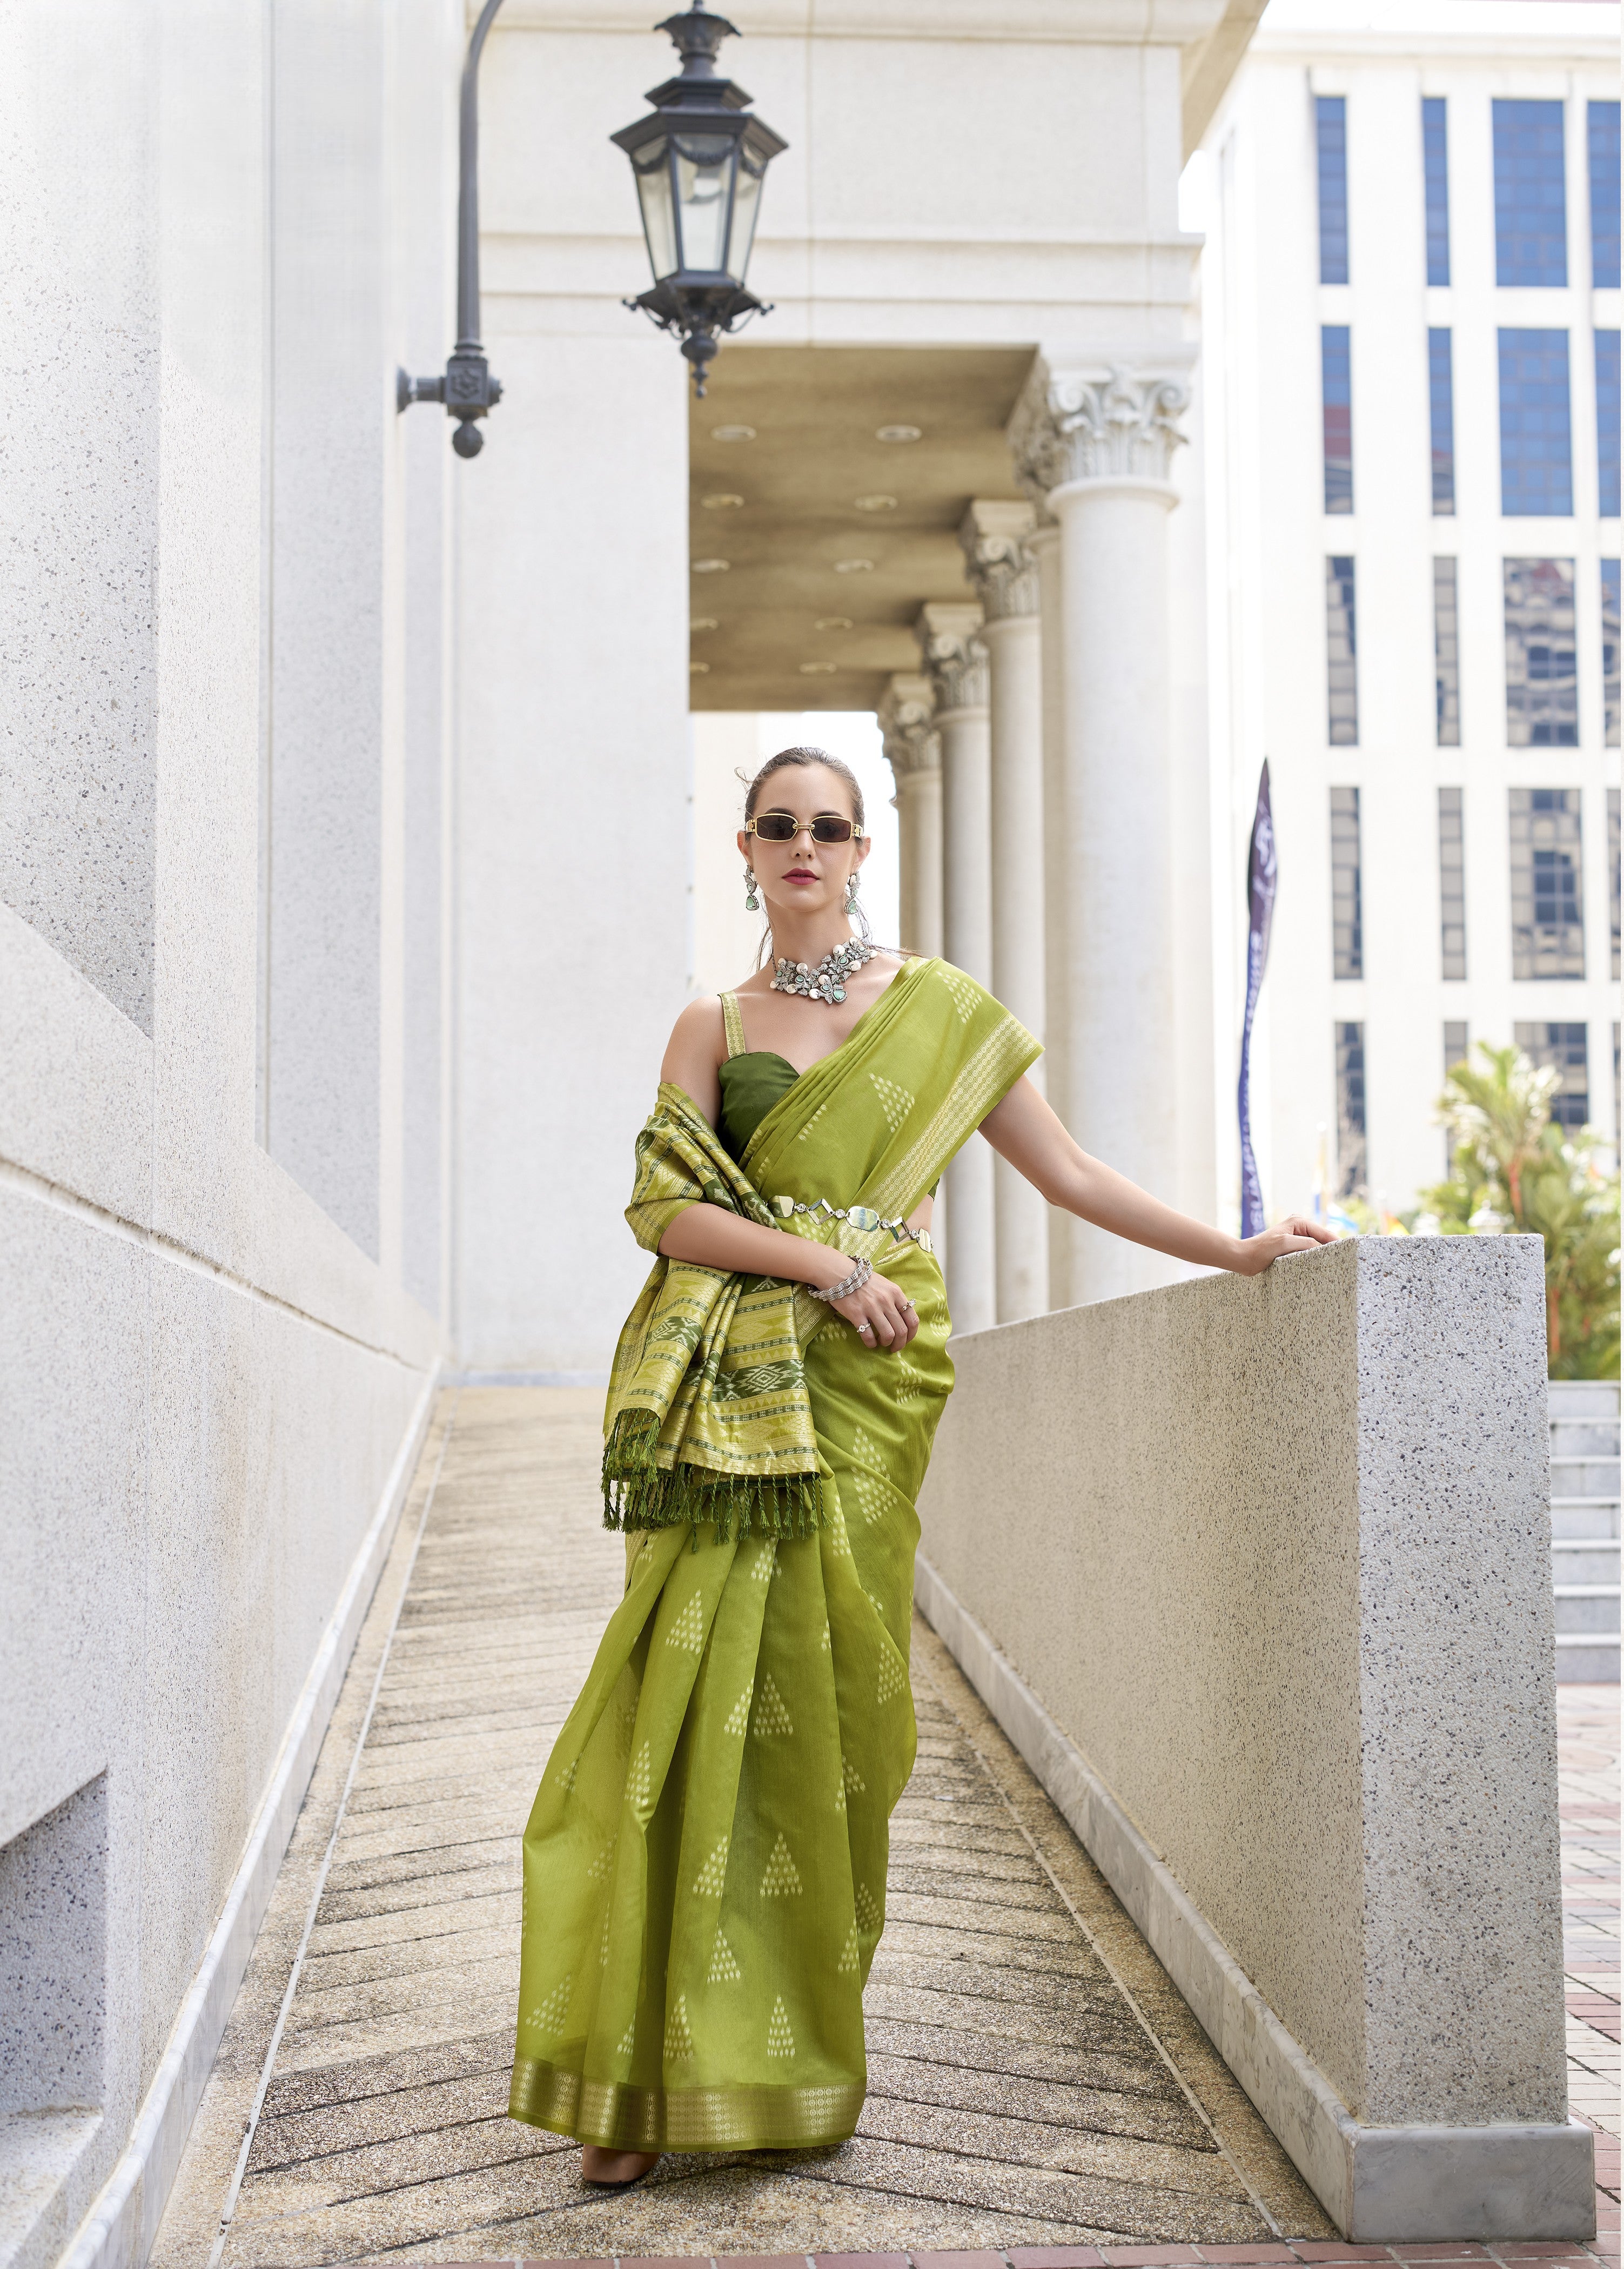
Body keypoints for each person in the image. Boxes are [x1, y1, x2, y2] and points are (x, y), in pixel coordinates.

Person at [507, 744, 1332, 2186]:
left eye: (829, 826)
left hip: (872, 1395)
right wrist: (826, 1266)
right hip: (736, 1399)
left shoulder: (938, 1010)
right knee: (678, 1707)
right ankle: (633, 2087)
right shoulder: (711, 1022)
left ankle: (775, 2061)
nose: (805, 845)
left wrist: (1236, 1249)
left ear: (862, 848)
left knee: (833, 1719)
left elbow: (1069, 1175)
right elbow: (665, 1211)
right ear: (746, 850)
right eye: (779, 825)